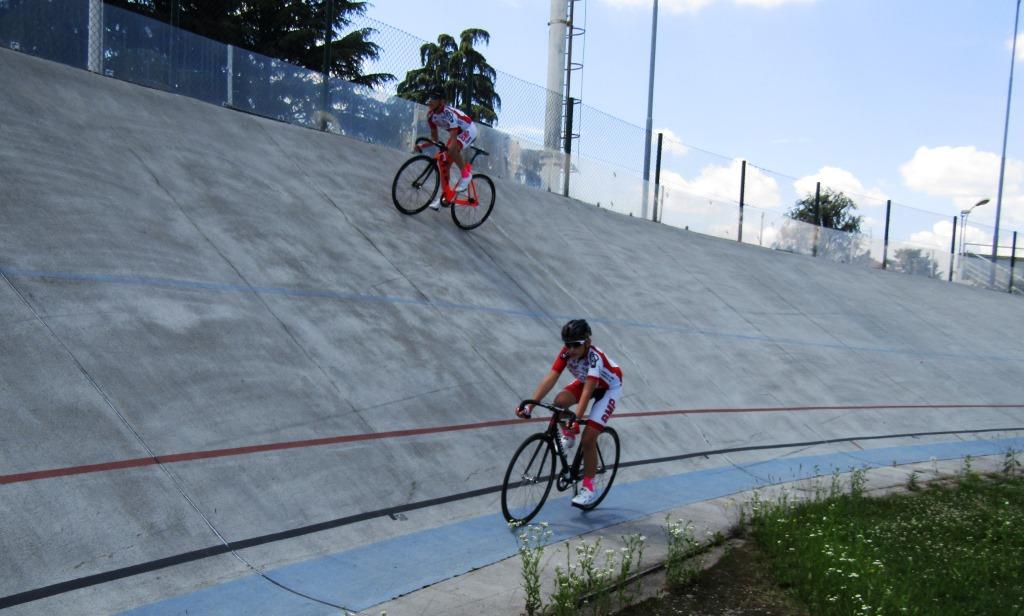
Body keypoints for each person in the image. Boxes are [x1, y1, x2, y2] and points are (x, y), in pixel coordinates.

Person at [516, 319, 623, 507]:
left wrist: (577, 419)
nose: (571, 349)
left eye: (576, 345)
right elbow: (550, 378)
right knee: (559, 402)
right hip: (586, 381)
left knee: (589, 438)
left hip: (607, 388)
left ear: (587, 343)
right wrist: (530, 406)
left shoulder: (594, 358)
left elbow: (588, 391)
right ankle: (568, 436)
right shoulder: (566, 353)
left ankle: (588, 488)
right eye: (567, 344)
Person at [421, 88, 478, 209]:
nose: (430, 101)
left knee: (452, 150)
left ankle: (466, 175)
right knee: (444, 165)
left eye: (434, 98)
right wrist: (421, 146)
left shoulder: (448, 114)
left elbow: (453, 138)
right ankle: (446, 197)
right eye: (430, 97)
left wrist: (449, 150)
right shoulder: (431, 116)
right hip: (457, 133)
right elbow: (434, 140)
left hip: (468, 129)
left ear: (441, 102)